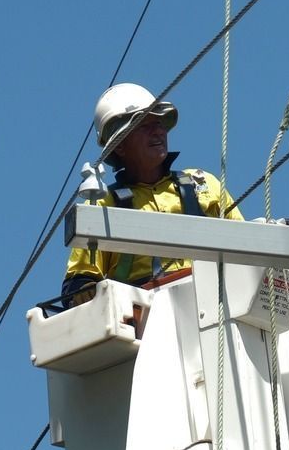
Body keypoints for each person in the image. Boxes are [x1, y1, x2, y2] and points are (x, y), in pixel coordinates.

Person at [61, 83, 244, 307]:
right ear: (119, 145)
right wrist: (85, 290)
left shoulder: (204, 185)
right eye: (144, 125)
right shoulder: (103, 206)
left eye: (158, 123)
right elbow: (79, 282)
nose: (157, 131)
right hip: (146, 318)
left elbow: (249, 245)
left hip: (215, 305)